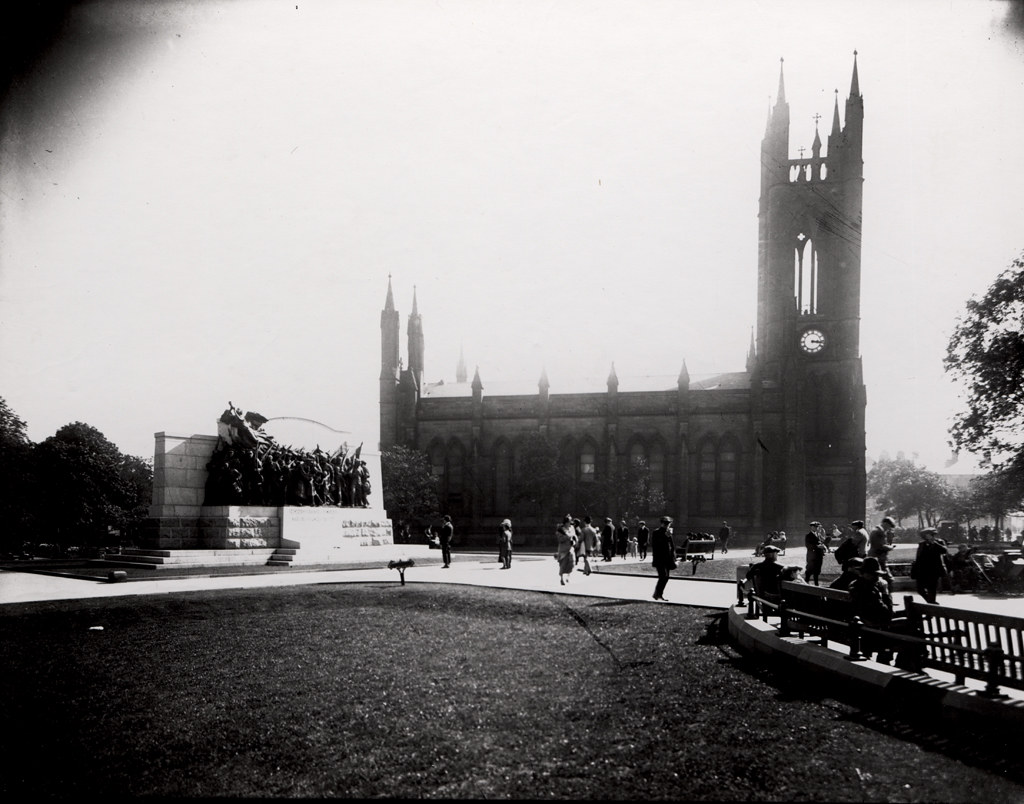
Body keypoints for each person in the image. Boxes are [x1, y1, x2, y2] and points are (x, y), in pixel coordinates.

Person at [913, 526, 949, 604]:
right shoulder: (922, 544)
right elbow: (918, 557)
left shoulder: (939, 542)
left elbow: (944, 551)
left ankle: (932, 604)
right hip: (923, 569)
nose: (927, 536)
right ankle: (931, 602)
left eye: (929, 534)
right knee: (920, 589)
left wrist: (933, 543)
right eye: (926, 535)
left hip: (934, 570)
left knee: (931, 589)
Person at [651, 516, 676, 601]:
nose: (667, 525)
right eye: (665, 523)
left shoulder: (668, 532)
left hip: (668, 558)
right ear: (661, 523)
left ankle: (658, 594)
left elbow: (672, 545)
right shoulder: (656, 532)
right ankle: (657, 594)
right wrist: (666, 536)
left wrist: (674, 557)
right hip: (660, 558)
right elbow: (656, 545)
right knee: (663, 576)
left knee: (666, 577)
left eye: (668, 524)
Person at [803, 521, 827, 585]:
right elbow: (808, 545)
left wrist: (823, 547)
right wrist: (817, 546)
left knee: (817, 570)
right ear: (811, 527)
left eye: (817, 527)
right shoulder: (808, 535)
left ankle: (816, 584)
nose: (817, 528)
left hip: (819, 555)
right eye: (815, 527)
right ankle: (806, 583)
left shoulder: (818, 535)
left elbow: (821, 542)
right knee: (809, 570)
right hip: (812, 556)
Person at [555, 515, 577, 586]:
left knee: (572, 563)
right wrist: (568, 537)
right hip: (563, 550)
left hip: (571, 549)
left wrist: (574, 541)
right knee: (563, 565)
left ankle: (568, 576)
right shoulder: (560, 530)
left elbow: (575, 537)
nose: (570, 523)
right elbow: (560, 539)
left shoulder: (572, 528)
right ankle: (562, 579)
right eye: (569, 522)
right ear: (566, 522)